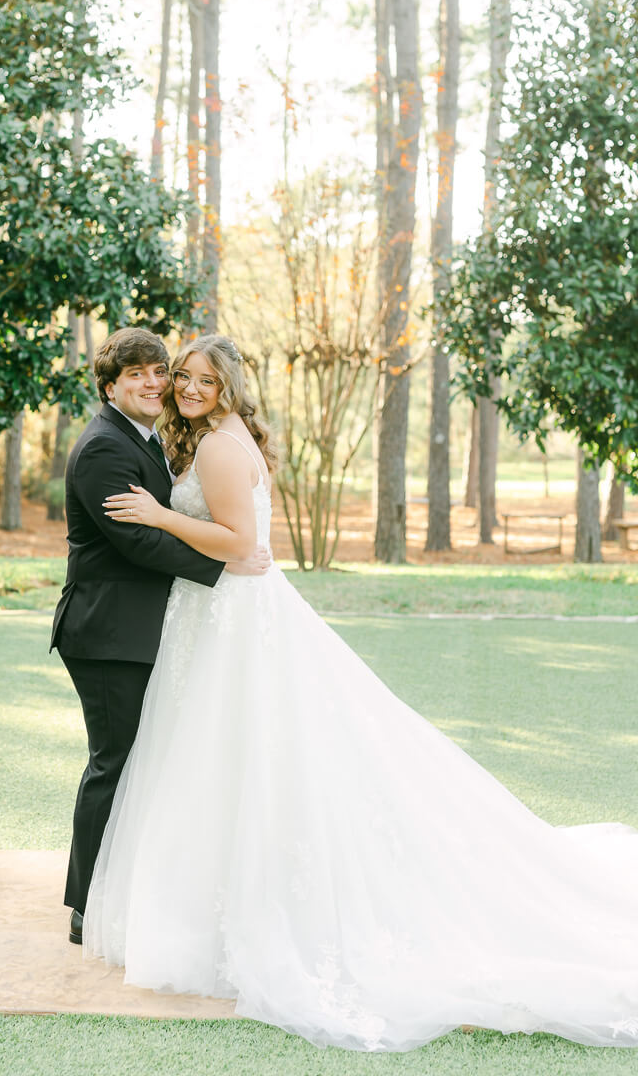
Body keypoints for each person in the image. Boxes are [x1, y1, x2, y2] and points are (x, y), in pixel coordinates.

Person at [82, 333, 638, 1054]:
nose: (187, 387)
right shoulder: (221, 436)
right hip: (219, 615)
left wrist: (159, 516)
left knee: (226, 754)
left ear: (229, 384)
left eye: (201, 378)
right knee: (222, 760)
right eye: (181, 376)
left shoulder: (220, 446)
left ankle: (227, 912)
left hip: (230, 620)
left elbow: (238, 542)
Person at [50, 327, 269, 946]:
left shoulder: (150, 438)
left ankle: (129, 886)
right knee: (114, 763)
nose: (155, 383)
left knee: (145, 760)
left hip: (143, 627)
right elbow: (136, 539)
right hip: (107, 631)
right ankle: (87, 901)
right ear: (111, 385)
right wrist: (221, 565)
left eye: (158, 371)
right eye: (138, 374)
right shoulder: (102, 449)